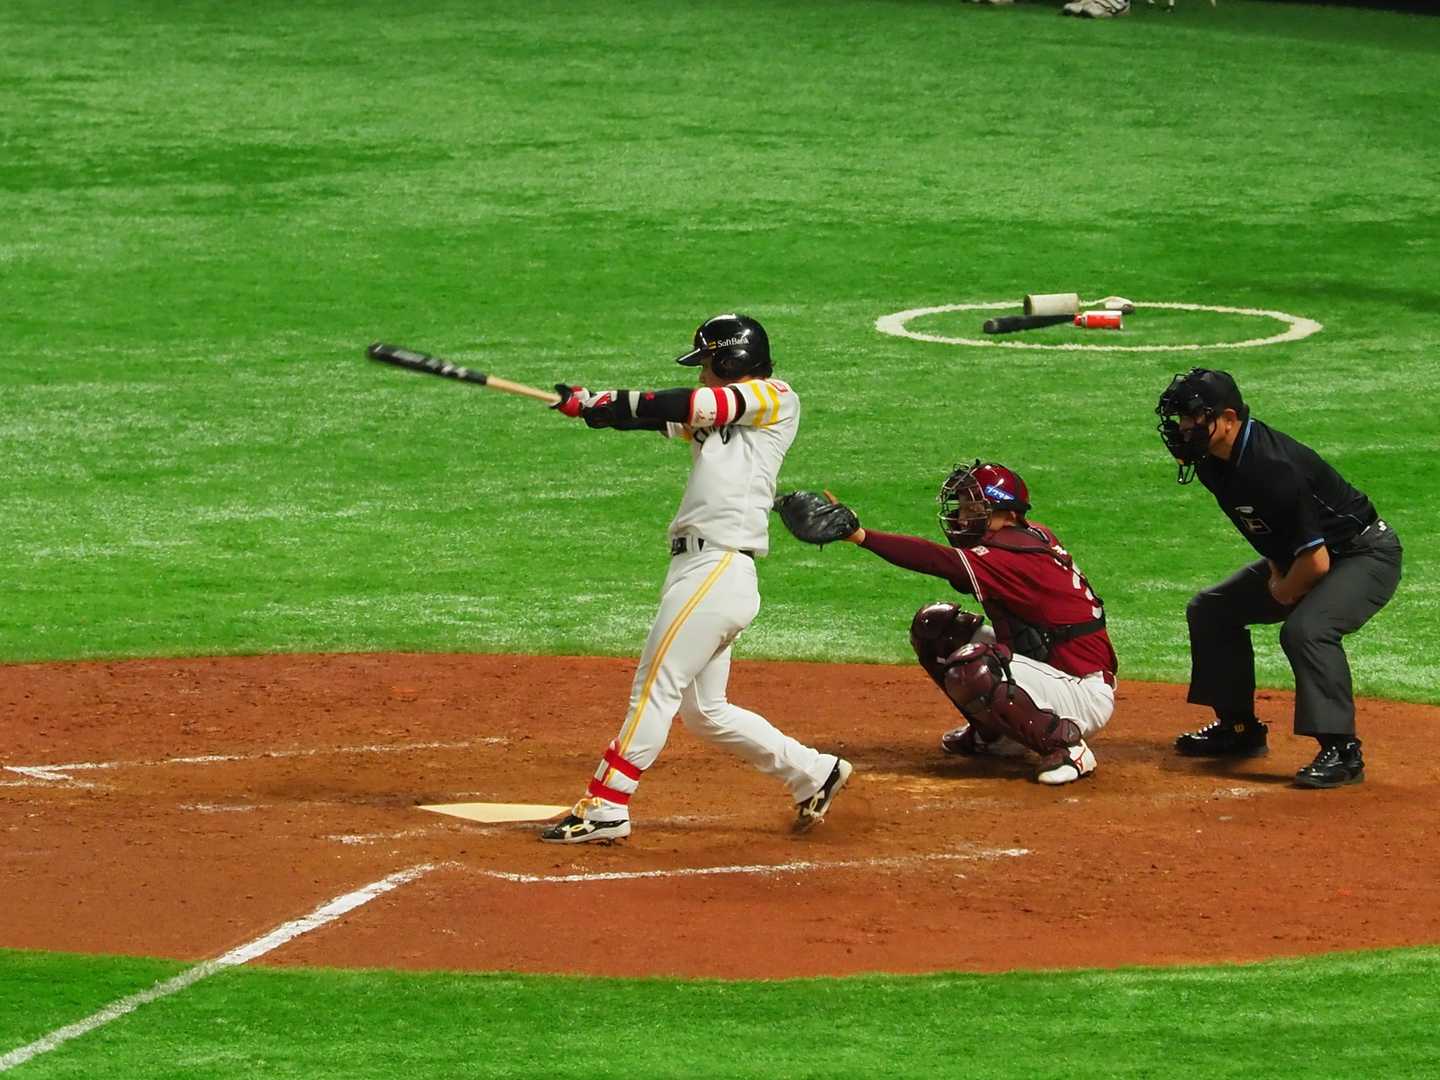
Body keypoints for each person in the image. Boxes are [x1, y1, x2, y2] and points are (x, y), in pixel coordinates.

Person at [539, 314, 851, 844]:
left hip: (717, 569)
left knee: (654, 688)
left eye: (707, 362)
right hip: (701, 571)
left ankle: (606, 806)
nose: (702, 372)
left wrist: (614, 399)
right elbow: (659, 417)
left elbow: (689, 403)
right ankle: (813, 772)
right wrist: (592, 407)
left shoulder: (774, 397)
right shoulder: (720, 413)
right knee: (706, 712)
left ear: (731, 359)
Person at [782, 462, 1118, 785]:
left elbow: (935, 560)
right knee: (938, 628)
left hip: (1080, 692)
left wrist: (861, 536)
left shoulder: (1011, 558)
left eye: (972, 508)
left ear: (1005, 512)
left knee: (976, 666)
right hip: (1049, 674)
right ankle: (997, 738)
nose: (961, 517)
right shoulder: (1024, 538)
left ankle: (1067, 746)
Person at [1155, 368, 1402, 788]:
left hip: (1363, 555)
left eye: (1194, 418)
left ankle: (1343, 752)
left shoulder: (1272, 466)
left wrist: (1284, 589)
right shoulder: (1213, 462)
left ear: (1228, 419)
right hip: (1304, 556)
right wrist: (1276, 572)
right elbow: (1264, 529)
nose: (1184, 428)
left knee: (1307, 630)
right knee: (1212, 609)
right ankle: (1239, 729)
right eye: (1181, 418)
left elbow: (1317, 562)